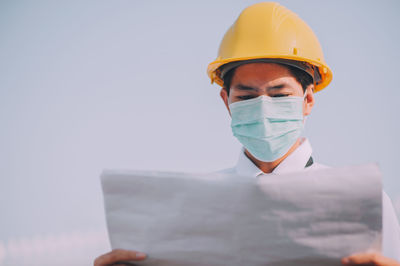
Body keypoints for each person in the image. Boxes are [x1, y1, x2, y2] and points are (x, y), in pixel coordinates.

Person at [94, 2, 400, 265]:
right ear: (226, 101)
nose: (263, 107)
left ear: (307, 100)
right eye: (247, 96)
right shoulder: (193, 208)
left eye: (279, 95)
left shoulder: (362, 205)